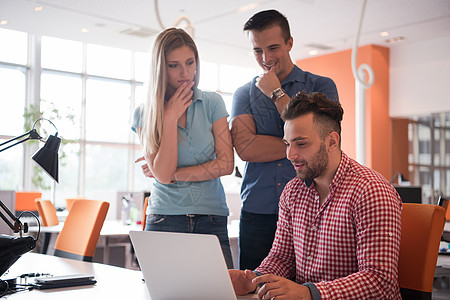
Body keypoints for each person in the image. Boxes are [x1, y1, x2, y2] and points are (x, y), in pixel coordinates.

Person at [229, 91, 402, 299]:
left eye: (301, 144)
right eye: (287, 144)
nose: (290, 155)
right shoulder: (292, 191)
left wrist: (308, 293)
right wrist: (254, 280)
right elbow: (282, 258)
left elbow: (379, 281)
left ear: (331, 141)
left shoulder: (371, 191)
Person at [230, 9, 339, 270]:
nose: (266, 58)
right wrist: (303, 143)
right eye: (257, 51)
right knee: (254, 286)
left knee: (302, 286)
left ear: (290, 43)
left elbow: (323, 140)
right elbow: (245, 149)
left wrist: (276, 93)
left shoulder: (321, 87)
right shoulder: (243, 93)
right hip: (258, 208)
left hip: (311, 206)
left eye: (273, 48)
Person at [132, 28, 235, 268]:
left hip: (211, 217)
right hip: (164, 219)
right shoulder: (144, 113)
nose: (185, 73)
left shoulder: (212, 103)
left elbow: (226, 165)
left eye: (190, 63)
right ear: (160, 69)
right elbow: (163, 175)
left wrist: (172, 175)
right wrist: (169, 118)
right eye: (174, 65)